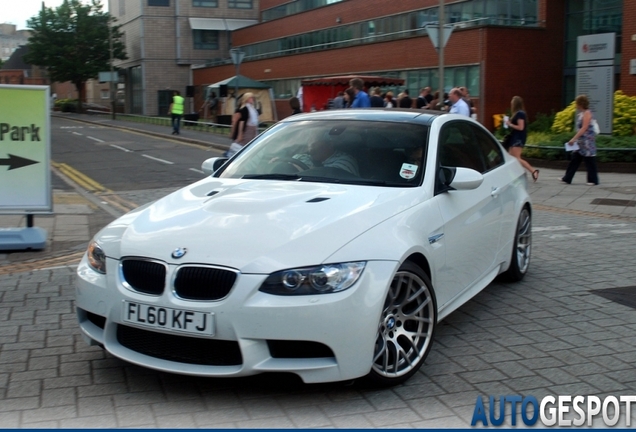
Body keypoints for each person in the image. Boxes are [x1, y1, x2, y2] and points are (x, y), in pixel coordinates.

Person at [561, 94, 599, 186]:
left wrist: (573, 139)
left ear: (581, 104)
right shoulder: (582, 113)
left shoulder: (587, 113)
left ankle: (593, 180)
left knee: (589, 160)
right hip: (581, 141)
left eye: (577, 103)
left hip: (587, 141)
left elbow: (584, 128)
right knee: (575, 159)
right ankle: (567, 178)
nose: (575, 105)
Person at [505, 95, 539, 182]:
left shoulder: (520, 114)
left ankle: (533, 171)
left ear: (515, 104)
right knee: (511, 157)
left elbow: (521, 127)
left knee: (516, 158)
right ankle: (517, 174)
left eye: (512, 103)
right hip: (515, 137)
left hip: (518, 138)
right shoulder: (518, 113)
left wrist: (510, 124)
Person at [292, 139, 359, 176]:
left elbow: (329, 175)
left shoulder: (345, 161)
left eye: (315, 143)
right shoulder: (302, 157)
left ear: (330, 144)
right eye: (309, 142)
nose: (311, 147)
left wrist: (299, 168)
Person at [228, 93, 260, 157]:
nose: (252, 99)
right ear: (246, 99)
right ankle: (231, 156)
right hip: (247, 129)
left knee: (250, 145)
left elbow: (255, 121)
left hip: (252, 129)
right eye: (250, 98)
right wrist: (239, 134)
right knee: (241, 145)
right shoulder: (244, 109)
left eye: (252, 98)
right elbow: (240, 122)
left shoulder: (252, 109)